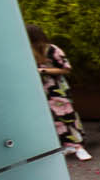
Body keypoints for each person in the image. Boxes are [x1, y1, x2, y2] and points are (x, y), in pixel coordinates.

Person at [25, 24, 91, 161]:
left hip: (55, 88)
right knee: (51, 118)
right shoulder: (25, 50)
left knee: (66, 115)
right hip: (37, 89)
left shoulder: (52, 49)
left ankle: (78, 146)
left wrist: (43, 71)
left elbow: (66, 69)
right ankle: (65, 146)